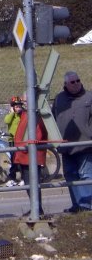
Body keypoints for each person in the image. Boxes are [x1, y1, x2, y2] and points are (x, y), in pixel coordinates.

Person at [52, 71, 92, 213]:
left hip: (85, 146)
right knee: (70, 176)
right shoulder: (59, 99)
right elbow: (52, 119)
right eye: (72, 82)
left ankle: (87, 207)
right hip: (66, 147)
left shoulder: (89, 97)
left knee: (86, 175)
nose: (76, 84)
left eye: (78, 80)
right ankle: (77, 205)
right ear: (65, 84)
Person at [2, 95, 26, 184]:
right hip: (13, 140)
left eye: (20, 106)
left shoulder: (23, 114)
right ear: (13, 107)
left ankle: (24, 178)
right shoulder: (11, 115)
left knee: (22, 160)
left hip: (21, 140)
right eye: (16, 107)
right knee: (14, 159)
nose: (18, 108)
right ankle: (12, 178)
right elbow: (6, 121)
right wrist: (12, 113)